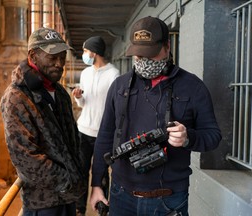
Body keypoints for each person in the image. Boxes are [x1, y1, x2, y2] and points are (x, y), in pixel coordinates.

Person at [90, 16, 222, 216]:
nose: (143, 61)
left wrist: (188, 138)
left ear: (167, 48)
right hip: (121, 195)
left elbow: (213, 136)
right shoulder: (119, 86)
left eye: (150, 55)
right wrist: (97, 184)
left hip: (168, 200)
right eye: (138, 55)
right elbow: (105, 135)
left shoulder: (193, 87)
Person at [1, 27, 87, 216]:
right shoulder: (17, 98)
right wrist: (68, 181)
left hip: (68, 197)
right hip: (44, 202)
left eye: (62, 57)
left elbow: (73, 140)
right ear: (33, 55)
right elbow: (26, 157)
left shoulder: (61, 94)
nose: (59, 64)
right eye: (52, 57)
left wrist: (76, 178)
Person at [72, 36, 120, 216]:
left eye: (85, 51)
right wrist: (78, 96)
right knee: (81, 171)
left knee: (101, 173)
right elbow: (83, 104)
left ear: (94, 52)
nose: (84, 54)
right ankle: (79, 209)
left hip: (103, 133)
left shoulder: (113, 74)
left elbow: (114, 106)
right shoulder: (85, 73)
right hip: (83, 130)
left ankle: (103, 208)